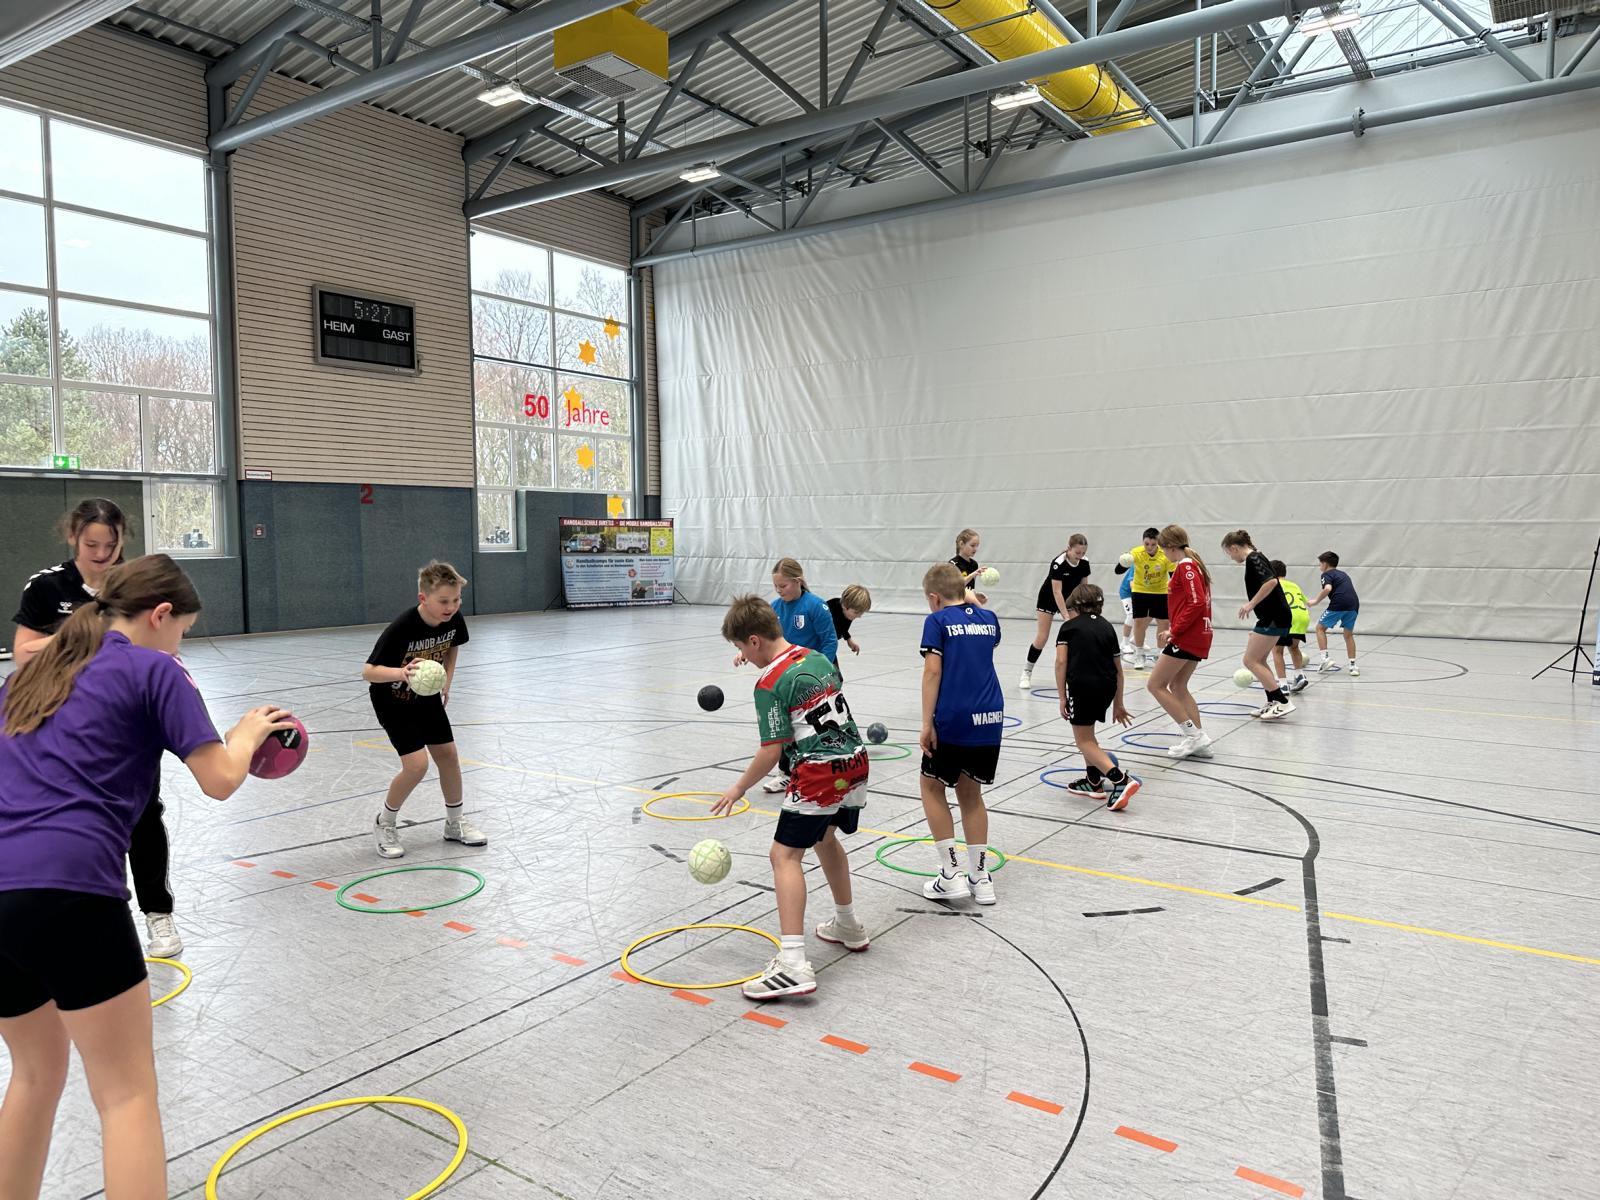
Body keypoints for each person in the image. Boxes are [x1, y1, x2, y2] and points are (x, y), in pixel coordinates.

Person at [0, 554, 294, 1200]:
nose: (179, 644)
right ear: (161, 615)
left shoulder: (30, 675)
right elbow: (220, 778)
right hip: (69, 889)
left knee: (33, 1075)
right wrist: (247, 733)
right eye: (182, 630)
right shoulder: (154, 668)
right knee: (126, 1094)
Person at [11, 498, 183, 960]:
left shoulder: (138, 584)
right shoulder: (47, 585)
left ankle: (158, 911)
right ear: (73, 537)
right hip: (66, 718)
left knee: (143, 813)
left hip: (129, 715)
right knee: (75, 813)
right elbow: (24, 652)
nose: (103, 555)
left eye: (112, 545)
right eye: (92, 545)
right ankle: (82, 913)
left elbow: (161, 640)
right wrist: (87, 636)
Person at [711, 596, 869, 1000]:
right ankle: (848, 924)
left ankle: (794, 964)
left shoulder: (769, 682)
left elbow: (772, 750)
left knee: (783, 856)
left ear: (754, 640)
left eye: (741, 648)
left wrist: (738, 787)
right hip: (854, 761)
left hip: (819, 771)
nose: (744, 657)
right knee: (824, 838)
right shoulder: (816, 657)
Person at [363, 561, 487, 859]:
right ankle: (385, 822)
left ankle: (454, 822)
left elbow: (453, 645)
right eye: (444, 601)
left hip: (427, 697)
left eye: (456, 600)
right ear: (423, 598)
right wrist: (401, 673)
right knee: (417, 766)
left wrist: (446, 680)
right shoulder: (402, 627)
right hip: (393, 700)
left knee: (448, 755)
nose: (451, 607)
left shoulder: (453, 619)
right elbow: (368, 671)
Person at [918, 563, 1004, 904]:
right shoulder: (990, 618)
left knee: (931, 786)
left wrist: (927, 723)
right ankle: (981, 878)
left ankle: (951, 873)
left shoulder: (936, 621)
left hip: (954, 716)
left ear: (933, 597)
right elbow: (978, 636)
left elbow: (932, 672)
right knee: (971, 794)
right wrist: (971, 601)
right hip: (990, 716)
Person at [733, 558, 838, 792]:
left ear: (798, 581)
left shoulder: (816, 606)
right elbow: (758, 638)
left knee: (814, 725)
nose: (779, 591)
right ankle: (786, 773)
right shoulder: (774, 608)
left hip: (815, 675)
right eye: (776, 586)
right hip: (787, 678)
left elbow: (830, 641)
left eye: (784, 586)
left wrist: (820, 668)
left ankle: (824, 763)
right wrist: (743, 652)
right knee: (784, 726)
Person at [1052, 584, 1138, 810]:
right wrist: (1119, 703)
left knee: (1083, 741)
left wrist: (1062, 697)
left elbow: (1061, 662)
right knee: (1089, 736)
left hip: (1082, 687)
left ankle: (1120, 780)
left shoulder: (1068, 627)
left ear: (1075, 606)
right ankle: (1093, 783)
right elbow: (1118, 670)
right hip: (1107, 687)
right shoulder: (1107, 626)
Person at [1149, 525, 1215, 758]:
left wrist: (1174, 630)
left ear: (1170, 546)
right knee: (1178, 686)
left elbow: (1196, 602)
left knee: (1155, 685)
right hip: (1197, 635)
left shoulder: (1186, 566)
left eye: (1162, 548)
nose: (1162, 553)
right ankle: (1200, 743)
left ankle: (1194, 736)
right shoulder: (1192, 564)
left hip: (1188, 636)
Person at [1221, 531, 1295, 720]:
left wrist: (1251, 604)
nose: (1231, 558)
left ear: (1234, 548)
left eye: (1229, 553)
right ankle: (1273, 701)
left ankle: (1283, 702)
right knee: (1259, 660)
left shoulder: (1254, 558)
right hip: (1273, 616)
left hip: (1274, 617)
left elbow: (1271, 582)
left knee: (1250, 660)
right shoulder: (1255, 558)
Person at [1019, 533, 1089, 690]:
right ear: (1069, 548)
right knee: (1042, 637)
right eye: (1077, 552)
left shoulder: (1085, 562)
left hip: (1070, 598)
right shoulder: (1058, 563)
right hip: (1049, 598)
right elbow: (1057, 592)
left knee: (1077, 636)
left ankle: (1073, 675)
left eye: (1083, 553)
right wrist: (1066, 617)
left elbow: (1084, 588)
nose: (1080, 556)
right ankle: (1027, 672)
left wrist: (1084, 610)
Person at [1115, 528, 1174, 670]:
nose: (1149, 547)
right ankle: (1139, 654)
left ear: (1158, 543)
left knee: (1164, 622)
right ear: (1143, 542)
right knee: (1139, 622)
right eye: (1147, 544)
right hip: (1140, 590)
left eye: (1153, 544)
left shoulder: (1164, 554)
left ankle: (1160, 653)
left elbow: (1173, 575)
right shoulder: (1136, 553)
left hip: (1160, 592)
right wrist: (1124, 561)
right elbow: (1118, 571)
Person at [1310, 551, 1361, 676]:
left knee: (1320, 628)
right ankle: (1353, 666)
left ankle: (1325, 659)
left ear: (1325, 564)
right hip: (1354, 605)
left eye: (1320, 564)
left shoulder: (1326, 574)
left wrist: (1316, 601)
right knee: (1348, 635)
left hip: (1339, 603)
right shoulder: (1343, 574)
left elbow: (1327, 588)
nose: (1320, 567)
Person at [1271, 559, 1311, 695]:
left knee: (1277, 651)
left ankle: (1283, 685)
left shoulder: (1273, 584)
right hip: (1302, 617)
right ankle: (1299, 675)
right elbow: (1306, 601)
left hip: (1287, 617)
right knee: (1294, 647)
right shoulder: (1294, 585)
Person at [826, 584, 873, 680]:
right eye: (856, 613)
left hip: (829, 647)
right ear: (844, 606)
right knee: (830, 679)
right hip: (816, 646)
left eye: (861, 613)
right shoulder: (828, 610)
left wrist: (849, 639)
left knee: (837, 680)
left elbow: (842, 626)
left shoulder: (848, 613)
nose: (859, 616)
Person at [1117, 563, 1135, 654]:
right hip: (1127, 592)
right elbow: (1132, 584)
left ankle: (1136, 638)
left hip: (1139, 592)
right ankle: (1124, 643)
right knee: (1131, 615)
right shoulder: (1137, 564)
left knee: (1147, 614)